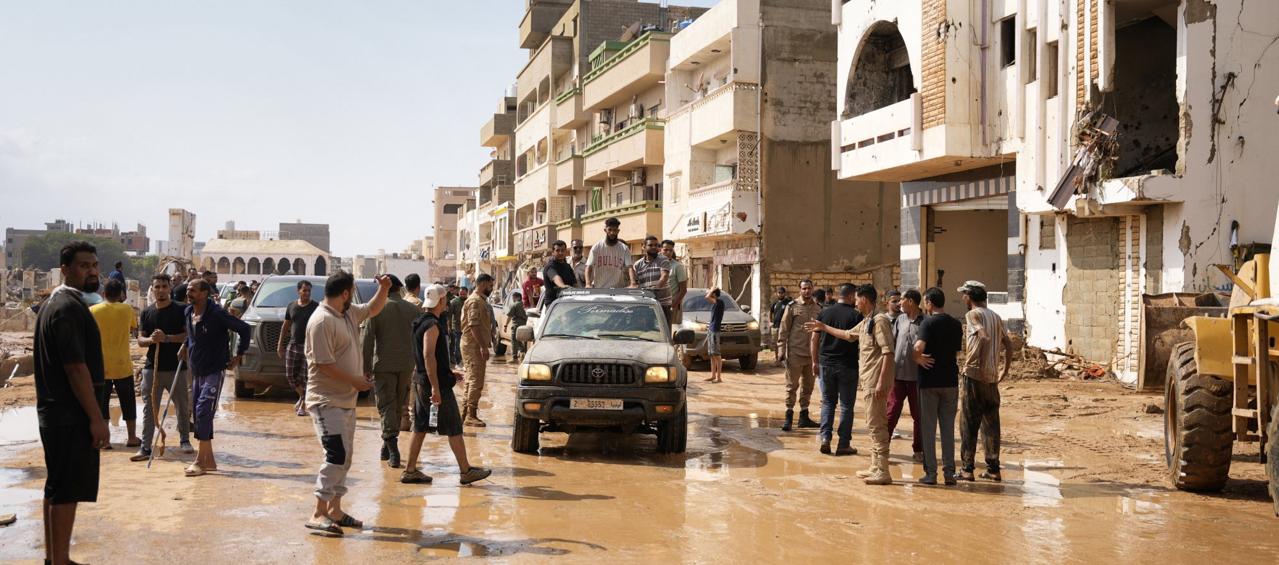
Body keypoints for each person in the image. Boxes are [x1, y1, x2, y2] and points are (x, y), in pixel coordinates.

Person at [34, 241, 108, 565]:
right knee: (65, 490)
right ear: (65, 269)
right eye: (83, 266)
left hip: (58, 413)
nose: (91, 271)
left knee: (57, 487)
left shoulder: (60, 303)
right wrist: (96, 418)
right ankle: (59, 560)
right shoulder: (66, 308)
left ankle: (56, 558)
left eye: (94, 265)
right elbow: (75, 368)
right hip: (69, 415)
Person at [303, 271, 391, 535]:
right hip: (325, 400)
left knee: (346, 457)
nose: (353, 295)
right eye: (352, 291)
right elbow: (323, 365)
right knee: (335, 455)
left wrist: (384, 288)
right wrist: (355, 381)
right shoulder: (321, 321)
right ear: (344, 293)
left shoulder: (347, 312)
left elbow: (372, 309)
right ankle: (318, 512)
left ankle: (335, 510)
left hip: (346, 401)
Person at [400, 284, 492, 486]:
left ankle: (410, 470)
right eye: (446, 299)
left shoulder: (419, 321)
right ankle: (466, 472)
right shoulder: (432, 325)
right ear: (441, 300)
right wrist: (435, 386)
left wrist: (449, 372)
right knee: (454, 427)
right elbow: (427, 354)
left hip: (422, 380)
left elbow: (429, 358)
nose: (448, 302)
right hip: (435, 385)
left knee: (420, 427)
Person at [806, 284, 896, 483]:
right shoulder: (867, 321)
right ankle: (875, 465)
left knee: (877, 425)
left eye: (857, 299)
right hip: (869, 381)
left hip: (875, 382)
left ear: (864, 299)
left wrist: (882, 382)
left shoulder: (879, 321)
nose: (855, 302)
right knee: (873, 423)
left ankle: (883, 471)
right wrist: (823, 327)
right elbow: (847, 335)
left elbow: (888, 352)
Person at [182, 279, 252, 477]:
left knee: (203, 410)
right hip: (197, 371)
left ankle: (199, 461)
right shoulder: (188, 312)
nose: (189, 293)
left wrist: (239, 355)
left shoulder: (218, 314)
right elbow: (191, 334)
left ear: (204, 293)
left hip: (214, 370)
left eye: (193, 290)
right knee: (199, 415)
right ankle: (209, 461)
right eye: (188, 290)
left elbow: (244, 329)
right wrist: (185, 346)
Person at [132, 273, 193, 462]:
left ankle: (184, 440)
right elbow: (140, 340)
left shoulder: (182, 310)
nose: (160, 290)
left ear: (169, 288)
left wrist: (167, 338)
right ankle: (145, 446)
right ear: (152, 289)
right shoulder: (147, 312)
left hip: (177, 368)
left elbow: (188, 335)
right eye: (156, 287)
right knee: (150, 409)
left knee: (182, 406)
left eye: (164, 287)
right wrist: (152, 339)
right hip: (152, 369)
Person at [361, 274, 420, 469]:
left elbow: (367, 340)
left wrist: (365, 367)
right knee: (397, 406)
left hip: (383, 365)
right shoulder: (413, 309)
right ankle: (386, 447)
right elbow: (419, 339)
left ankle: (393, 450)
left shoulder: (376, 309)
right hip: (406, 365)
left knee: (386, 407)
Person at [957, 280, 1012, 482]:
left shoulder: (972, 314)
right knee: (991, 423)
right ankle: (993, 469)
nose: (963, 297)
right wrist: (1004, 370)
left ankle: (966, 469)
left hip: (974, 376)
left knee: (968, 423)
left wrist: (971, 363)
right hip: (992, 378)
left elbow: (982, 335)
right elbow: (1008, 344)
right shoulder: (996, 317)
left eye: (964, 294)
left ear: (969, 297)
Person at [913, 287, 963, 485]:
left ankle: (931, 474)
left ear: (929, 303)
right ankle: (949, 473)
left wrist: (918, 359)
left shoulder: (928, 323)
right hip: (950, 380)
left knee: (928, 428)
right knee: (947, 429)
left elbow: (918, 347)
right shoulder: (956, 324)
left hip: (929, 382)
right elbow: (957, 352)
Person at [808, 283, 862, 456]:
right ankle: (844, 444)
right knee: (846, 406)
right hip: (848, 366)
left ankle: (825, 438)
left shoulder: (825, 312)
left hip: (826, 365)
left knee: (828, 402)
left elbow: (814, 340)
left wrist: (814, 362)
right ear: (852, 296)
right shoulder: (856, 316)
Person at [89, 279, 140, 449]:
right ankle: (132, 437)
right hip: (122, 364)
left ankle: (106, 441)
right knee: (128, 402)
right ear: (121, 294)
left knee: (102, 404)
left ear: (103, 293)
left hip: (100, 366)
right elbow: (133, 328)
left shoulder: (93, 310)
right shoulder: (127, 309)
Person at [775, 279, 821, 431]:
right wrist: (781, 349)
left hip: (811, 355)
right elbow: (783, 329)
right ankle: (788, 417)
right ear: (799, 290)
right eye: (804, 289)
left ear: (812, 289)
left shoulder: (818, 308)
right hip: (795, 353)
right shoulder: (792, 307)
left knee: (808, 387)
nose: (806, 291)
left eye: (809, 288)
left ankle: (804, 416)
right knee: (791, 386)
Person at [888, 289, 925, 463]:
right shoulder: (900, 320)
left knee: (918, 416)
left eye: (901, 300)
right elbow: (893, 344)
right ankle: (883, 447)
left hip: (917, 378)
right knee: (891, 412)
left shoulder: (925, 322)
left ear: (910, 301)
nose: (898, 303)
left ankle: (918, 449)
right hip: (897, 376)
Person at [278, 281, 319, 417]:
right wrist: (280, 344)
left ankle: (303, 405)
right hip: (293, 345)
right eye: (304, 290)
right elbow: (286, 326)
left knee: (306, 377)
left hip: (310, 347)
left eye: (309, 291)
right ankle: (302, 396)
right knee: (290, 376)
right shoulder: (292, 306)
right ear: (298, 291)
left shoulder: (315, 306)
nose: (307, 293)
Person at [460, 274, 494, 427]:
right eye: (490, 285)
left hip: (472, 345)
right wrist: (482, 346)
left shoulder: (479, 300)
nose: (491, 288)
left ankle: (465, 413)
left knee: (470, 379)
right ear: (483, 284)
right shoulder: (475, 301)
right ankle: (470, 415)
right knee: (475, 380)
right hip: (473, 346)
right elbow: (474, 326)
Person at [585, 217, 635, 289]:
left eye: (614, 230)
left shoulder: (624, 248)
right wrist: (588, 284)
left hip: (618, 290)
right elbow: (588, 267)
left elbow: (629, 267)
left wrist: (633, 283)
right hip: (599, 289)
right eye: (610, 230)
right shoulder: (596, 247)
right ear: (605, 230)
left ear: (618, 231)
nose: (612, 233)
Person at [633, 236, 672, 322]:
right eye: (651, 245)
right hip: (646, 304)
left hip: (663, 304)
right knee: (647, 331)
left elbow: (664, 277)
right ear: (643, 247)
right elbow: (635, 283)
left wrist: (653, 291)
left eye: (656, 245)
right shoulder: (637, 265)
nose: (654, 247)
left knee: (665, 332)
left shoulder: (663, 260)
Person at [541, 240, 577, 309]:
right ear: (553, 252)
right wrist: (562, 286)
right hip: (553, 305)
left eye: (562, 250)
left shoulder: (567, 266)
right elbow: (555, 277)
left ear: (566, 251)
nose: (560, 253)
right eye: (557, 250)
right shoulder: (550, 266)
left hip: (568, 303)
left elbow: (575, 284)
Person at [661, 240, 688, 324]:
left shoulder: (677, 266)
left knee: (670, 331)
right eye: (665, 250)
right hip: (658, 305)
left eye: (671, 250)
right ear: (660, 250)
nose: (668, 252)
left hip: (671, 306)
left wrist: (673, 306)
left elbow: (683, 290)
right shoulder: (656, 264)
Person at [704, 288, 725, 384]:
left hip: (715, 331)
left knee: (717, 354)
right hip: (711, 330)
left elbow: (707, 297)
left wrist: (712, 289)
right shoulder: (716, 304)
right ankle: (713, 375)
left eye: (711, 293)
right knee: (712, 355)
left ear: (714, 294)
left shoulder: (719, 302)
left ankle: (719, 377)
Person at [504, 292, 528, 362]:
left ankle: (514, 358)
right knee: (521, 340)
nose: (513, 299)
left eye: (513, 298)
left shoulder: (514, 305)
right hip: (524, 324)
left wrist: (505, 325)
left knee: (514, 340)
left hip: (516, 325)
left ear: (516, 297)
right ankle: (523, 352)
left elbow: (509, 316)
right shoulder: (524, 304)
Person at [447, 287, 467, 369]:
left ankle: (464, 361)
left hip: (466, 328)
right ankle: (458, 362)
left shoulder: (468, 301)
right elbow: (449, 315)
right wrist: (449, 326)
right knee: (457, 346)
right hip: (457, 328)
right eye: (461, 293)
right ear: (458, 293)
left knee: (466, 346)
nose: (462, 295)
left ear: (467, 293)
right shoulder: (454, 302)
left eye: (464, 294)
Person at [769, 287, 792, 355]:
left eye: (782, 293)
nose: (780, 294)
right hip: (775, 326)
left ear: (784, 293)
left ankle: (785, 359)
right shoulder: (775, 303)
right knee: (776, 343)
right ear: (776, 293)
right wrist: (770, 322)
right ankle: (777, 359)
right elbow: (770, 312)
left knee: (785, 343)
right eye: (779, 292)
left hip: (785, 327)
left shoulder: (788, 302)